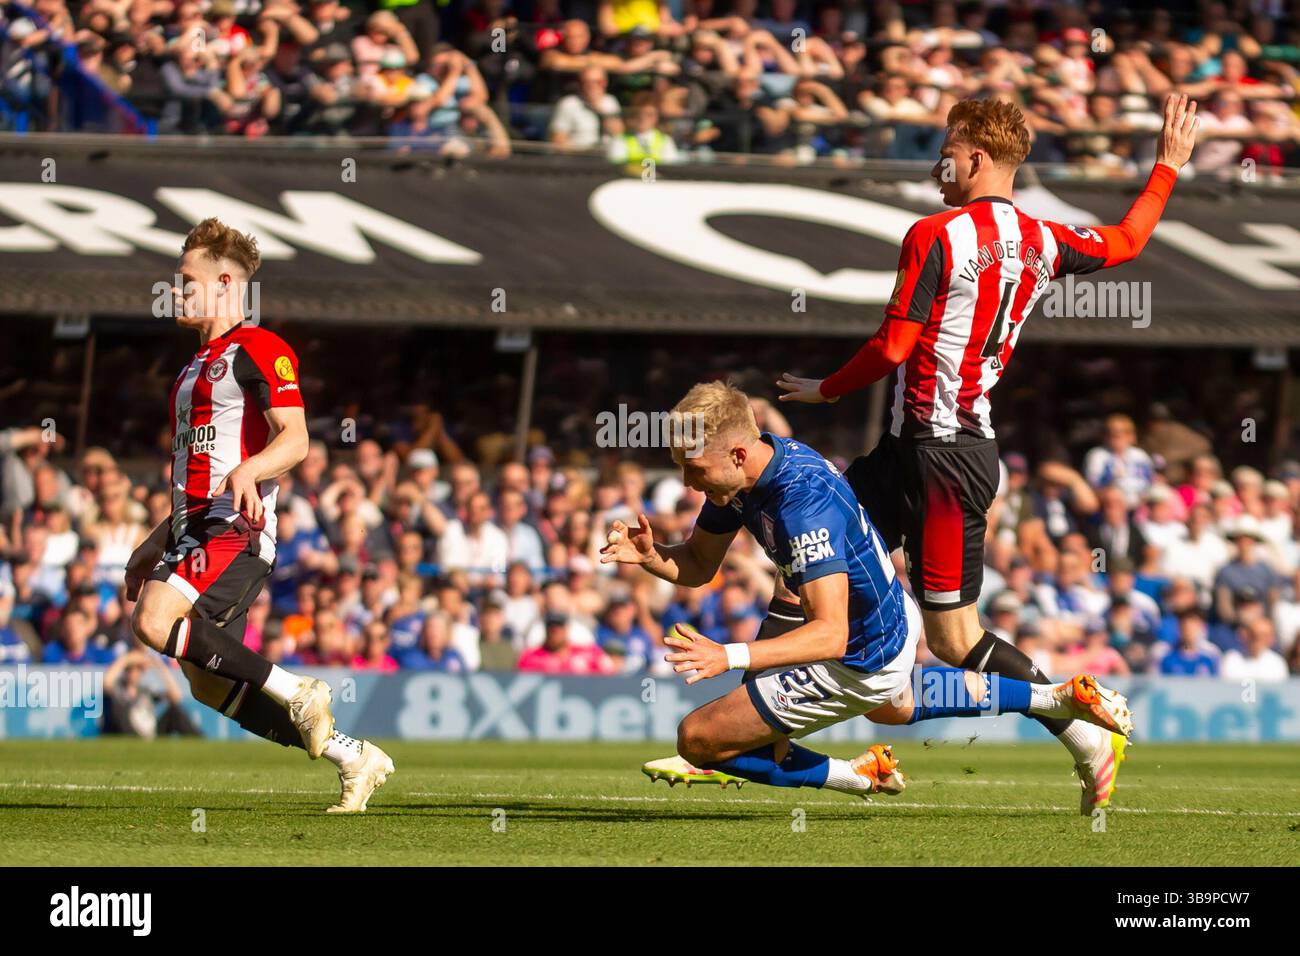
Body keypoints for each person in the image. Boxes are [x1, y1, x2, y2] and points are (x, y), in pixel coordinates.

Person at [774, 94, 1200, 814]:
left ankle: (1077, 727)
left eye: (946, 149)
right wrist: (1165, 167)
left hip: (945, 457)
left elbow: (894, 346)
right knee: (804, 563)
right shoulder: (1041, 238)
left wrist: (826, 391)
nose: (938, 162)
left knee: (954, 638)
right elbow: (1126, 242)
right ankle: (754, 737)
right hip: (916, 451)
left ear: (975, 156)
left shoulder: (933, 235)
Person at [603, 382, 1131, 803]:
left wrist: (729, 655)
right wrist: (651, 556)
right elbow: (698, 564)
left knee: (699, 738)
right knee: (891, 706)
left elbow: (828, 635)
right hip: (888, 620)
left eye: (695, 471)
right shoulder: (748, 472)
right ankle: (1056, 697)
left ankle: (855, 776)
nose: (691, 484)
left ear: (738, 453)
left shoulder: (799, 506)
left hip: (856, 654)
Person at [123, 218, 393, 814]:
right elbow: (193, 473)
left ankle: (299, 689)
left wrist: (250, 471)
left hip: (233, 528)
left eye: (186, 280)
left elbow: (294, 440)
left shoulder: (260, 348)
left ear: (224, 283)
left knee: (153, 621)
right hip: (192, 527)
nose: (176, 291)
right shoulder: (193, 368)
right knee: (206, 681)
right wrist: (151, 545)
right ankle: (354, 756)